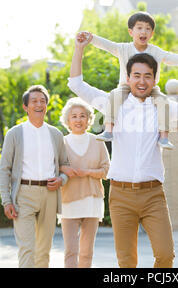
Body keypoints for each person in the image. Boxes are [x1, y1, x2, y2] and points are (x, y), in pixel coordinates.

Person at [68, 35, 178, 268]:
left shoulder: (165, 109)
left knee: (165, 255)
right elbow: (76, 84)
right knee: (126, 262)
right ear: (128, 78)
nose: (142, 81)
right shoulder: (113, 103)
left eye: (147, 76)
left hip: (153, 195)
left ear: (155, 79)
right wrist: (79, 48)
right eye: (136, 75)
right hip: (120, 195)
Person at [79, 11, 178, 150]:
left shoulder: (156, 51)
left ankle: (164, 137)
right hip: (126, 86)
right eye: (139, 28)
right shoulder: (123, 48)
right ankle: (109, 130)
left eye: (148, 29)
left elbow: (173, 58)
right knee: (114, 96)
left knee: (163, 101)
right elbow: (106, 45)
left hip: (150, 89)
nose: (144, 32)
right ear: (131, 32)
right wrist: (91, 38)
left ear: (152, 34)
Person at [0, 85, 70, 268]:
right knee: (27, 248)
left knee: (43, 250)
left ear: (46, 105)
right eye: (34, 101)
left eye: (42, 101)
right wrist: (7, 201)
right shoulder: (15, 133)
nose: (39, 104)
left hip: (50, 194)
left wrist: (61, 179)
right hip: (24, 194)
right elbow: (4, 169)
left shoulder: (55, 134)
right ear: (25, 107)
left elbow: (65, 165)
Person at [58, 97, 110, 268]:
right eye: (74, 116)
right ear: (68, 120)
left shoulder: (98, 141)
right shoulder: (61, 143)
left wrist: (86, 172)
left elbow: (106, 170)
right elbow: (55, 168)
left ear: (88, 119)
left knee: (87, 252)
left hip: (92, 201)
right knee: (70, 251)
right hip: (68, 202)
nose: (78, 120)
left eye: (82, 116)